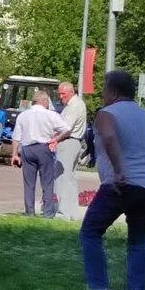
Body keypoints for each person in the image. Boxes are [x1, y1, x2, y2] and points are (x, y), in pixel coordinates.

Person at [79, 71, 145, 290]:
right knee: (139, 240)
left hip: (119, 184)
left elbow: (110, 137)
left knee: (91, 232)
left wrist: (118, 170)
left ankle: (99, 288)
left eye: (104, 88)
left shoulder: (107, 113)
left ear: (112, 91)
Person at [11, 91, 72, 218]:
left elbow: (16, 136)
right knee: (47, 182)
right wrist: (56, 139)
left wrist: (14, 155)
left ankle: (29, 211)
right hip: (44, 148)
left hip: (27, 149)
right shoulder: (51, 115)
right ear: (44, 101)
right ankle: (48, 212)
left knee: (29, 183)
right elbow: (67, 129)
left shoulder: (23, 115)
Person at [55, 82, 88, 221]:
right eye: (59, 94)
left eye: (63, 93)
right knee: (70, 178)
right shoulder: (75, 104)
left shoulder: (74, 106)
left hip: (69, 141)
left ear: (71, 91)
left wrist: (55, 139)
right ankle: (71, 211)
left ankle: (64, 212)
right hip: (74, 142)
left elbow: (67, 128)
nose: (61, 96)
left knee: (63, 177)